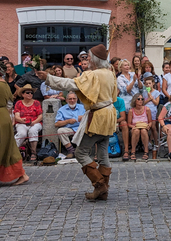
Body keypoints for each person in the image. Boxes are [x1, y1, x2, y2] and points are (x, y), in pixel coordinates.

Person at [37, 44, 117, 201]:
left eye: (88, 57)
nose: (87, 59)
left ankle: (100, 185)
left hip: (98, 116)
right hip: (108, 113)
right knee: (102, 153)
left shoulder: (92, 74)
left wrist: (48, 78)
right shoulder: (109, 73)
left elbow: (71, 84)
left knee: (80, 152)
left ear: (94, 59)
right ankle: (103, 191)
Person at [13, 85, 43, 161]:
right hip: (22, 122)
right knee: (22, 133)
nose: (30, 94)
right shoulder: (18, 103)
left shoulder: (36, 103)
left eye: (31, 93)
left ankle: (33, 152)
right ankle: (14, 150)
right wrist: (21, 120)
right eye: (27, 93)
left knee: (33, 130)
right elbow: (16, 116)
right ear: (22, 94)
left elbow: (40, 116)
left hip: (35, 122)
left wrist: (34, 122)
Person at [55, 92, 85, 159]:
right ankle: (71, 151)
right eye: (70, 99)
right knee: (60, 131)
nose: (72, 100)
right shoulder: (61, 110)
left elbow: (91, 118)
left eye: (74, 99)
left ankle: (82, 152)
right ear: (66, 100)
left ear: (77, 99)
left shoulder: (83, 107)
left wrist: (84, 117)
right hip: (70, 129)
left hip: (81, 128)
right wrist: (68, 121)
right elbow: (56, 124)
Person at [127, 94, 152, 160]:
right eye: (138, 99)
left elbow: (150, 121)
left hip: (144, 126)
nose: (140, 100)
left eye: (142, 99)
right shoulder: (131, 111)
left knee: (143, 131)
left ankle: (146, 151)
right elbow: (129, 124)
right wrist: (133, 126)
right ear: (135, 100)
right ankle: (133, 151)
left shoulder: (147, 109)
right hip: (135, 127)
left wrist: (149, 126)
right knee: (136, 131)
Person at [142, 76, 161, 154]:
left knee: (153, 127)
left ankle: (156, 143)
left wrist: (151, 97)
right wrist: (148, 99)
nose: (148, 85)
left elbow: (156, 103)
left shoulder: (156, 92)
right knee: (147, 127)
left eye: (149, 83)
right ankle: (148, 143)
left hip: (153, 111)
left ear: (153, 83)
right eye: (146, 84)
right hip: (145, 110)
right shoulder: (143, 93)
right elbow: (142, 103)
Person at [112, 94, 129, 161]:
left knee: (124, 124)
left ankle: (126, 150)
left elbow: (123, 117)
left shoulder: (120, 100)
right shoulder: (104, 100)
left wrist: (115, 121)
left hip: (117, 122)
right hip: (106, 122)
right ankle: (97, 152)